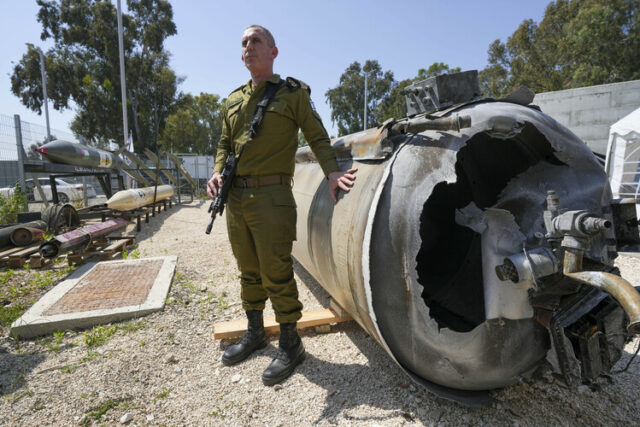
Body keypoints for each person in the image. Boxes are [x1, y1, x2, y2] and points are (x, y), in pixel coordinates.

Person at [207, 25, 357, 386]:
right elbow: (225, 145)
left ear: (273, 52)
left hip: (272, 197)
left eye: (256, 41)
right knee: (248, 269)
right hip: (236, 198)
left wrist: (332, 173)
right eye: (244, 43)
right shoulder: (231, 101)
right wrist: (215, 173)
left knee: (276, 270)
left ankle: (291, 344)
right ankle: (256, 331)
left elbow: (317, 135)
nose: (249, 47)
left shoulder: (292, 94)